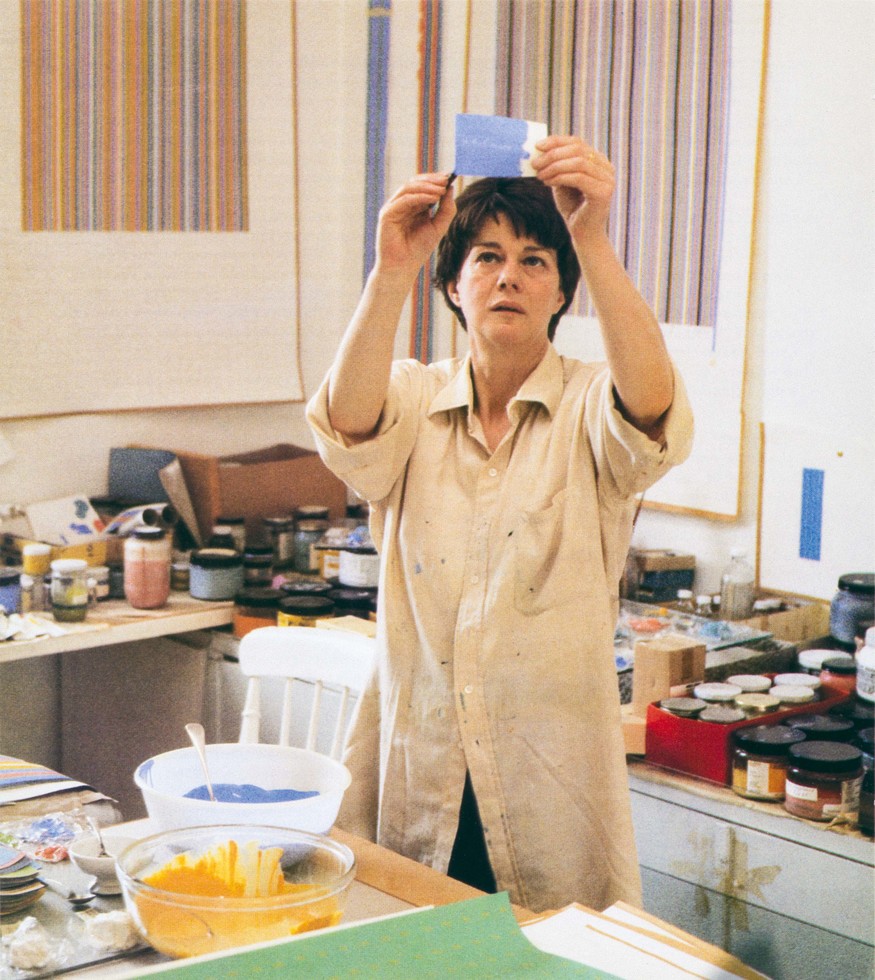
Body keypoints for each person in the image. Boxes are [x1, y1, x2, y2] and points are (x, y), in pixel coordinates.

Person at [306, 135, 693, 913]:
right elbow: (346, 425)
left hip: (549, 786)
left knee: (546, 952)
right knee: (410, 954)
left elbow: (650, 405)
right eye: (484, 257)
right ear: (453, 285)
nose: (507, 275)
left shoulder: (590, 405)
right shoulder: (414, 399)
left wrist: (590, 233)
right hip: (420, 773)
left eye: (534, 260)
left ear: (559, 294)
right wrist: (391, 271)